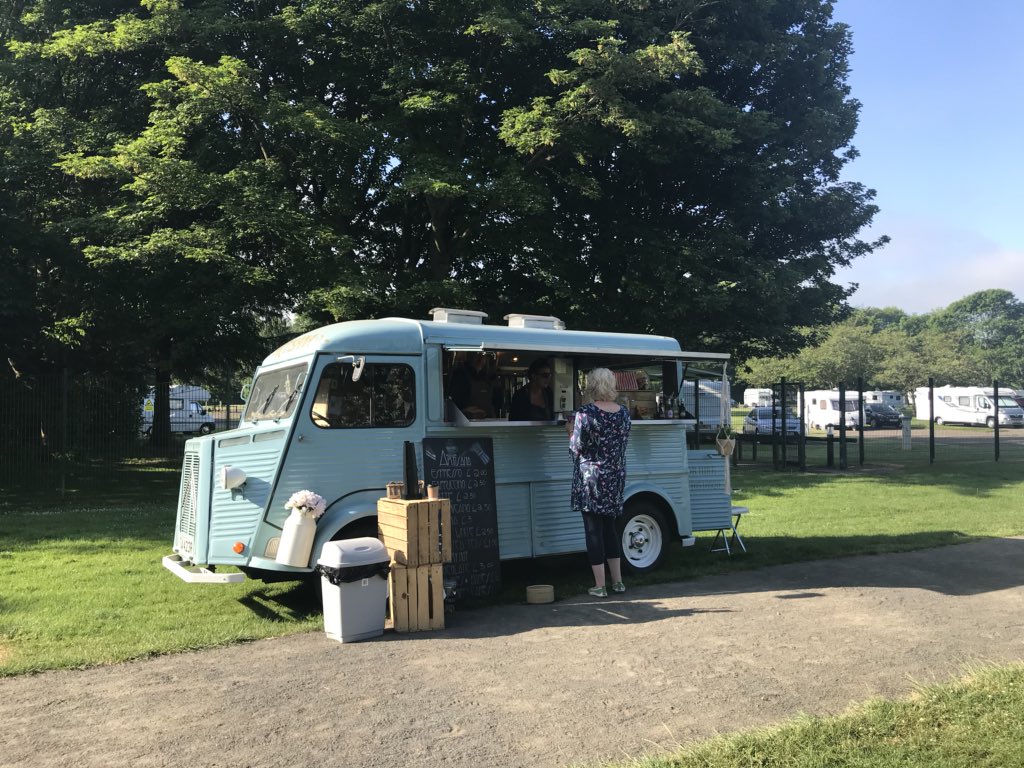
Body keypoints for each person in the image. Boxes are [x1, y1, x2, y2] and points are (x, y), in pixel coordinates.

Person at [568, 367, 631, 597]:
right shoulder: (623, 413)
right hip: (615, 476)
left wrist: (569, 430)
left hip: (592, 478)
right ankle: (619, 582)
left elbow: (575, 449)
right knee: (610, 530)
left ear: (591, 385)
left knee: (593, 531)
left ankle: (600, 586)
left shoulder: (585, 413)